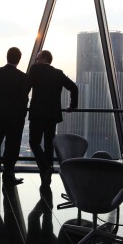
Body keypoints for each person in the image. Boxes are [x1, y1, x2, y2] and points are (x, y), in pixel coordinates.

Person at [27, 50, 78, 185]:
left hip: (37, 113)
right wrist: (72, 105)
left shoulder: (35, 69)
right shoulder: (58, 73)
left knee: (34, 142)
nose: (36, 61)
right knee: (48, 144)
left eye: (38, 58)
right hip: (52, 114)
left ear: (44, 58)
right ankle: (48, 171)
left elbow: (26, 87)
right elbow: (74, 88)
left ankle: (45, 168)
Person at [0, 47, 29, 186]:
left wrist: (2, 90)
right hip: (15, 118)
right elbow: (24, 97)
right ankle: (8, 176)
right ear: (19, 60)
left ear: (7, 57)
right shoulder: (23, 77)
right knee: (12, 147)